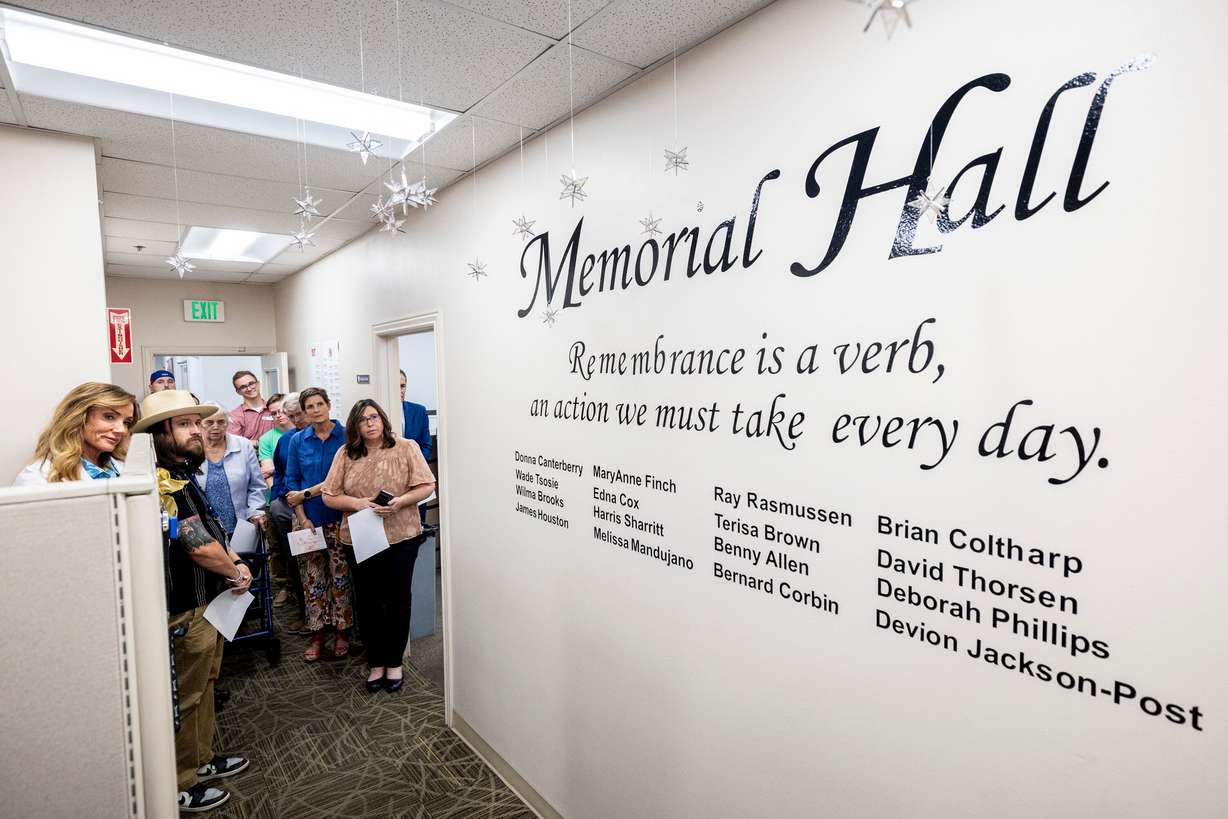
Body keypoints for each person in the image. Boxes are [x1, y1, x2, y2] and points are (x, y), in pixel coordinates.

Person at [131, 390, 252, 813]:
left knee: (205, 686)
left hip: (210, 602)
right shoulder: (160, 480)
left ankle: (200, 761)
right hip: (186, 607)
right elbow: (196, 546)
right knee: (185, 694)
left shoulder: (185, 473)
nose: (197, 431)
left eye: (196, 423)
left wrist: (234, 559)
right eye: (184, 425)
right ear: (160, 435)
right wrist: (234, 570)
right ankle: (180, 782)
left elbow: (212, 532)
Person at [322, 399, 435, 692]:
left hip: (401, 536)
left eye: (374, 417)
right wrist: (359, 503)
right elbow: (329, 495)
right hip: (361, 537)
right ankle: (376, 662)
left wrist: (400, 502)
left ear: (383, 419)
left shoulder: (406, 447)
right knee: (369, 601)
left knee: (397, 599)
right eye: (363, 419)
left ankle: (394, 661)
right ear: (355, 426)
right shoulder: (346, 453)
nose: (370, 423)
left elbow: (427, 485)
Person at [285, 387, 353, 661]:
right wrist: (302, 518)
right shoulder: (298, 441)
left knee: (341, 578)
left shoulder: (347, 436)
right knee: (312, 580)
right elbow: (292, 485)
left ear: (328, 405)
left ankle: (342, 632)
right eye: (309, 407)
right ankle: (316, 634)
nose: (315, 410)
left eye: (319, 404)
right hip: (308, 521)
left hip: (340, 519)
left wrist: (307, 493)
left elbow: (346, 480)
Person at [15, 382, 137, 484]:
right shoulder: (36, 478)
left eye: (126, 422)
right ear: (79, 417)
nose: (122, 430)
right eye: (109, 417)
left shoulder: (125, 466)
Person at [198, 407, 266, 536]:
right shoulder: (193, 449)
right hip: (205, 528)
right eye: (209, 422)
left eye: (221, 422)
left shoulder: (243, 445)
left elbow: (256, 485)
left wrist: (256, 511)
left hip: (242, 524)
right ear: (200, 424)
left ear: (227, 423)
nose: (216, 426)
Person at [226, 370, 274, 446]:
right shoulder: (235, 416)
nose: (249, 388)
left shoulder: (273, 408)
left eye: (251, 383)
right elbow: (234, 443)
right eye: (243, 387)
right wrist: (259, 443)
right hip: (250, 456)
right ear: (238, 392)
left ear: (258, 384)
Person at [399, 369, 433, 461]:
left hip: (415, 466)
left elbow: (426, 446)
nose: (400, 391)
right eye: (395, 386)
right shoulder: (378, 414)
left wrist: (415, 464)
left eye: (402, 386)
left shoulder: (419, 411)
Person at [256, 393, 287, 485]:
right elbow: (267, 473)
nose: (278, 415)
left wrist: (274, 468)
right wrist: (275, 496)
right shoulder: (266, 439)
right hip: (278, 489)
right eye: (274, 413)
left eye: (281, 411)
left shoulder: (302, 432)